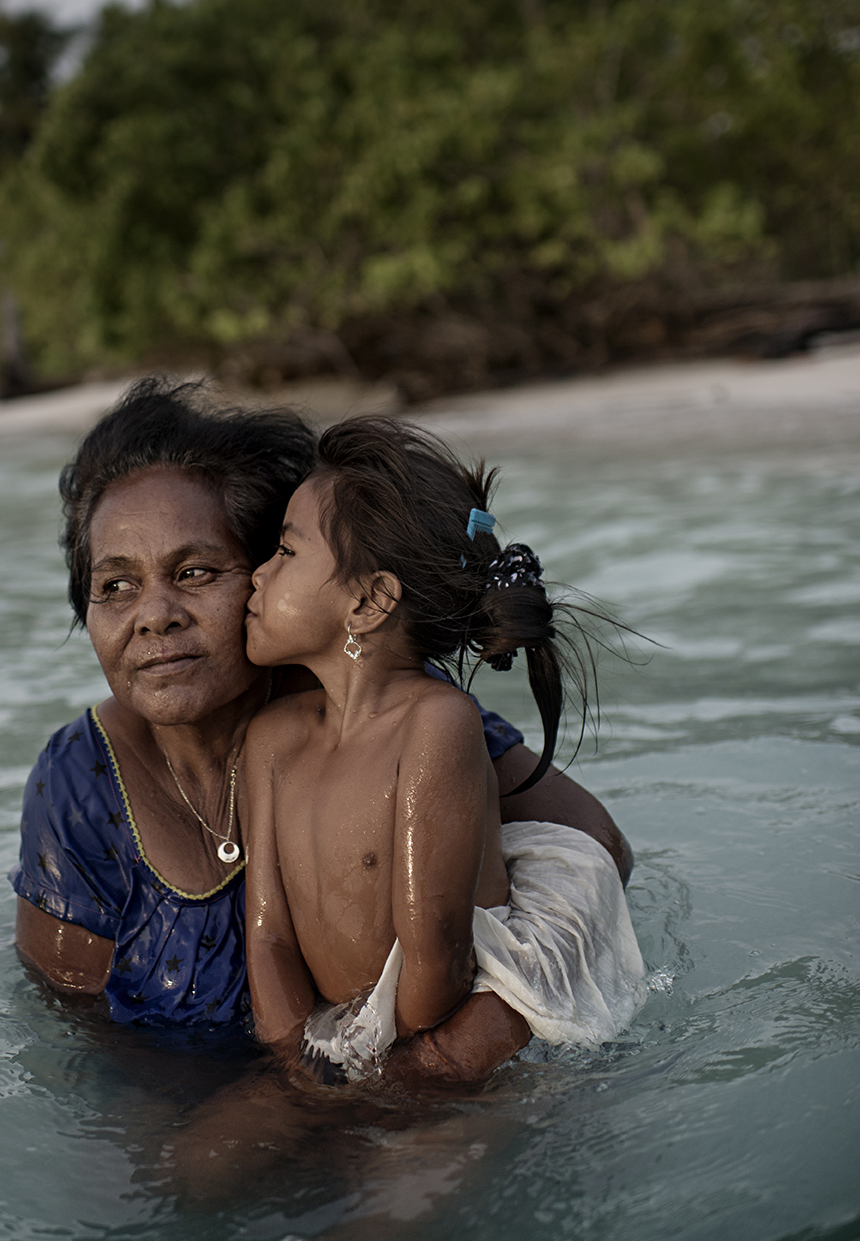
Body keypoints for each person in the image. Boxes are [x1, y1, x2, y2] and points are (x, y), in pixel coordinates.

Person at [11, 378, 634, 1082]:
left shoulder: (381, 708)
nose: (154, 616)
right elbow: (77, 1037)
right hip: (234, 1097)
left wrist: (465, 1045)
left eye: (195, 571)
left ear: (263, 579)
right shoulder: (78, 783)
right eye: (114, 586)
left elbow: (594, 847)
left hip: (422, 1085)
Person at [242, 417, 646, 1084]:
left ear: (369, 602)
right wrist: (298, 1057)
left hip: (432, 1047)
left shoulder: (436, 726)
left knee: (403, 1190)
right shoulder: (271, 740)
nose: (256, 576)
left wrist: (376, 1067)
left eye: (284, 552)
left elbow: (434, 957)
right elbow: (267, 935)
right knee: (201, 1171)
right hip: (336, 1046)